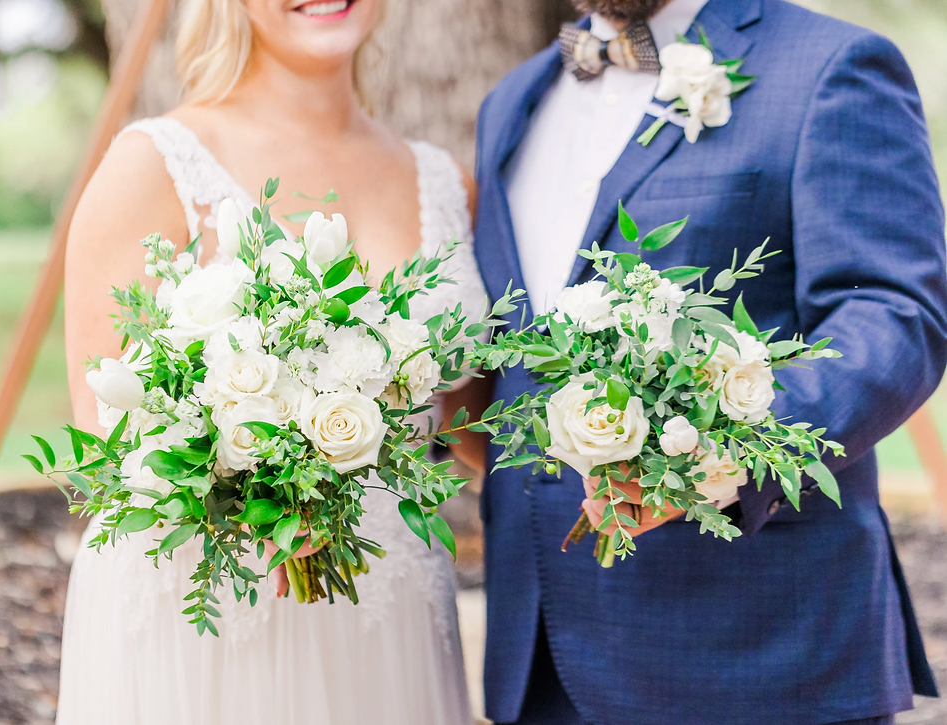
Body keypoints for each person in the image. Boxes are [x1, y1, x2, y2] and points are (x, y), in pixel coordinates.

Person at [473, 0, 947, 723]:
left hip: (758, 654)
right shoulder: (510, 100)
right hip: (539, 658)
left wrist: (720, 454)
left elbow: (893, 317)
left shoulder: (831, 66)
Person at [56, 0, 487, 722]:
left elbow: (477, 425)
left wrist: (633, 431)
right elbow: (99, 440)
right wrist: (259, 490)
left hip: (395, 619)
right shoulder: (153, 163)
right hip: (219, 621)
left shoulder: (446, 182)